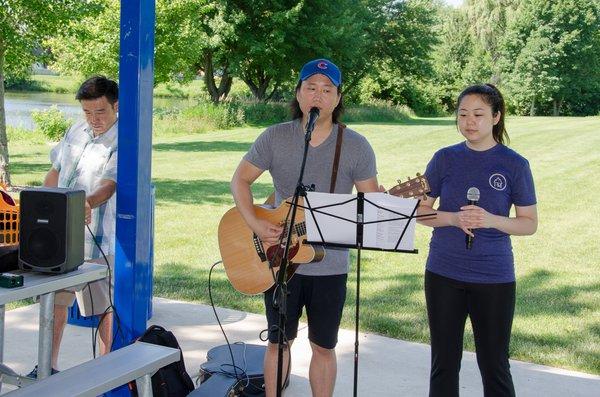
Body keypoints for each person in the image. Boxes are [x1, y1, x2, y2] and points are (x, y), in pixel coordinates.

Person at [230, 59, 382, 396]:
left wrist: (387, 201)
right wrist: (256, 222)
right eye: (311, 88)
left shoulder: (355, 145)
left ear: (338, 98)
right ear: (298, 94)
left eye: (327, 90)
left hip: (330, 264)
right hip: (278, 261)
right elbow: (240, 180)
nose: (318, 95)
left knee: (324, 347)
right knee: (278, 343)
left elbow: (372, 201)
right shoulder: (274, 138)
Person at [417, 84, 538, 396]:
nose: (469, 121)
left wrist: (490, 220)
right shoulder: (445, 158)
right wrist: (454, 219)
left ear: (496, 117)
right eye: (463, 114)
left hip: (494, 278)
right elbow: (420, 211)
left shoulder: (515, 165)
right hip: (443, 273)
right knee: (443, 363)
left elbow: (529, 224)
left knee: (495, 364)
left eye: (479, 114)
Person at [28, 76, 119, 377]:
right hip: (62, 240)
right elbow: (55, 172)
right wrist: (41, 203)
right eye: (87, 112)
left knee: (105, 310)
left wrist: (86, 204)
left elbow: (109, 185)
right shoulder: (76, 130)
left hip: (99, 243)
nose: (93, 120)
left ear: (115, 106)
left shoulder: (123, 139)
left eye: (100, 112)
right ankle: (47, 367)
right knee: (54, 301)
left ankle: (107, 377)